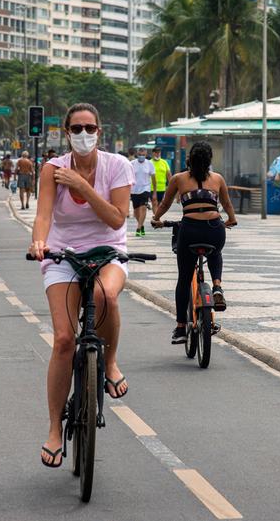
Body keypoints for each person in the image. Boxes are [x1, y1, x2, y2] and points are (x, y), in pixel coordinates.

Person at [29, 103, 135, 468]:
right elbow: (43, 215)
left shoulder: (118, 166)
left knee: (106, 295)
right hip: (63, 255)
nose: (83, 134)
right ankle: (55, 429)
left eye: (90, 128)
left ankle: (109, 362)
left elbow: (116, 217)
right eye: (76, 128)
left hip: (108, 251)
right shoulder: (52, 169)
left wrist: (82, 187)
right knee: (62, 340)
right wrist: (39, 242)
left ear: (99, 132)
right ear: (65, 132)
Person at [152, 142, 237, 343]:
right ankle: (217, 286)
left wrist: (156, 219)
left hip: (189, 230)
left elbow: (164, 204)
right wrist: (231, 220)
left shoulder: (178, 179)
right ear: (209, 161)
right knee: (215, 253)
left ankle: (181, 327)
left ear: (189, 159)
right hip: (214, 228)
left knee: (184, 278)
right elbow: (227, 204)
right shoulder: (218, 179)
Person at [129, 146, 157, 237]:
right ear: (137, 154)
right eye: (140, 155)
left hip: (146, 189)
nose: (142, 156)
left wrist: (154, 192)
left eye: (143, 155)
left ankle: (138, 227)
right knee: (136, 211)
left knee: (143, 208)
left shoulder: (149, 164)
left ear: (146, 155)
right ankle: (141, 225)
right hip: (134, 190)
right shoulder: (132, 163)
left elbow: (153, 179)